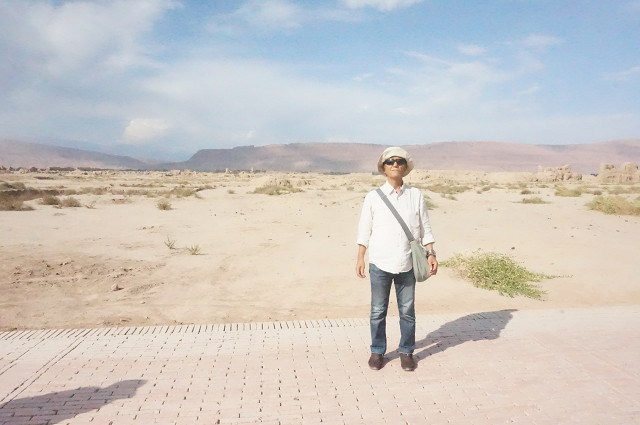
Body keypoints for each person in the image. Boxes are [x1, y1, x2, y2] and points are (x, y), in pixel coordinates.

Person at [356, 147, 438, 371]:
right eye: (390, 161)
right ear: (383, 168)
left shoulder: (415, 195)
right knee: (377, 311)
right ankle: (377, 351)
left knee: (407, 312)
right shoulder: (373, 197)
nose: (395, 164)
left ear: (405, 167)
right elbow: (364, 229)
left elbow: (425, 228)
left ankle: (406, 352)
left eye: (399, 161)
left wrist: (431, 253)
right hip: (380, 263)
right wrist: (360, 257)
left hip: (407, 263)